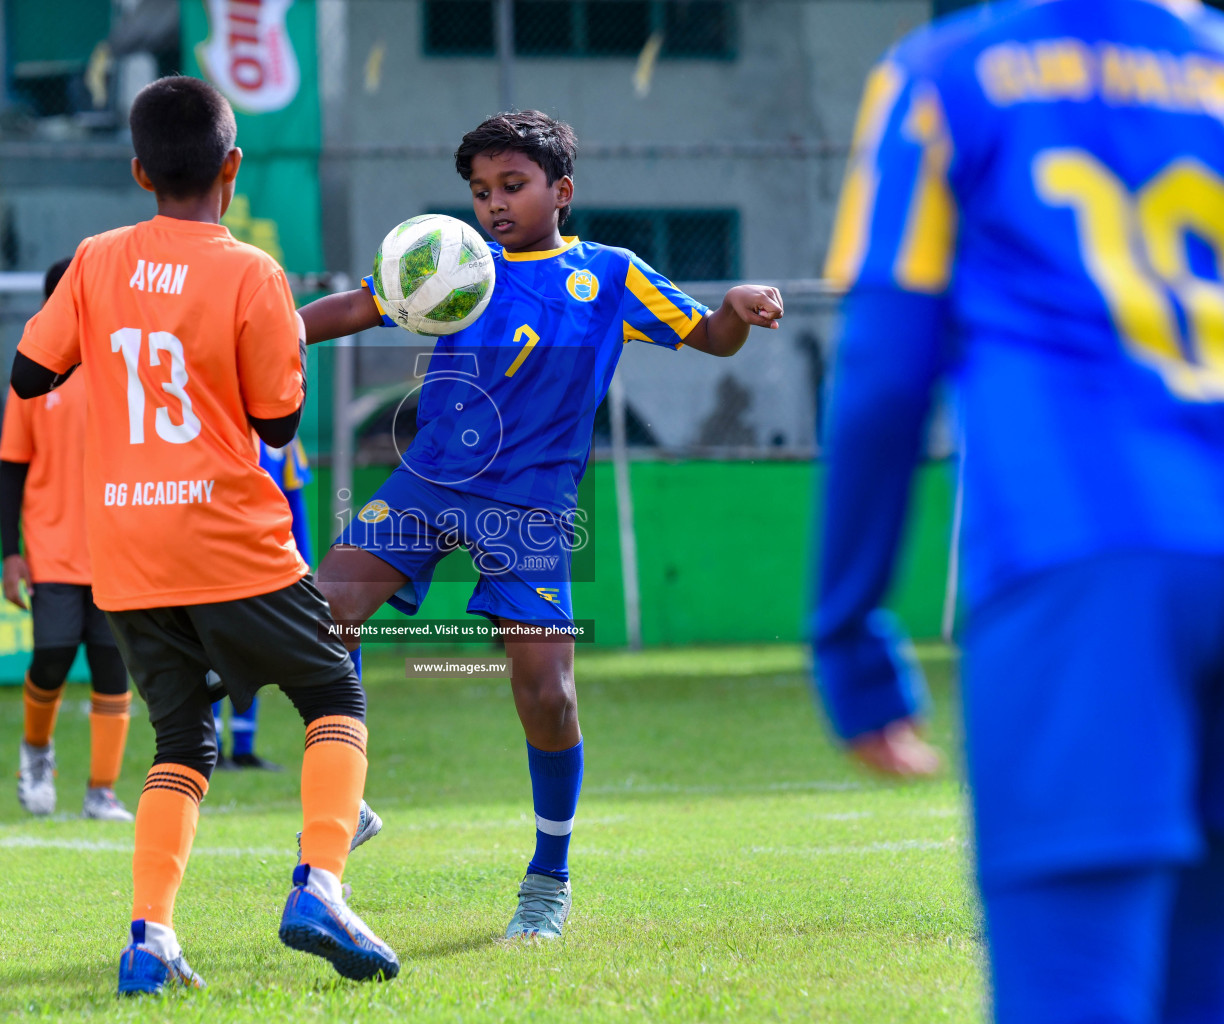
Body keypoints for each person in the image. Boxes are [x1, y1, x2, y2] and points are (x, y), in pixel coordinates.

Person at [810, 1, 1224, 1020]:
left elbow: (882, 372)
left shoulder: (948, 77)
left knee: (1074, 990)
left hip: (1079, 561)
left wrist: (846, 628)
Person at [297, 110, 782, 939]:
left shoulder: (612, 276)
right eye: (481, 191)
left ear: (561, 191)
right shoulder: (453, 265)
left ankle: (547, 878)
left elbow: (711, 337)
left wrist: (734, 307)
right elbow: (351, 308)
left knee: (548, 696)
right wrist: (260, 327)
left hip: (530, 511)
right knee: (309, 621)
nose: (493, 205)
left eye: (511, 187)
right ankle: (346, 795)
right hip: (428, 484)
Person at [10, 76, 399, 992]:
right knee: (334, 694)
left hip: (129, 553)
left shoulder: (96, 259)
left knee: (181, 743)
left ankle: (150, 939)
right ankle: (321, 885)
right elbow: (275, 425)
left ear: (139, 169)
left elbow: (30, 373)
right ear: (232, 167)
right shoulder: (251, 271)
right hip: (230, 537)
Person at [0, 257, 133, 823]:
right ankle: (36, 753)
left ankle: (101, 790)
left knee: (112, 668)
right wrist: (11, 553)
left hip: (115, 551)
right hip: (51, 549)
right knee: (51, 658)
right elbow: (11, 468)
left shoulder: (122, 364)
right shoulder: (31, 378)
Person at [212, 438, 314, 773]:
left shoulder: (282, 435)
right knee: (213, 652)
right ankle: (211, 746)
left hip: (265, 564)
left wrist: (306, 567)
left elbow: (294, 502)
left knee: (252, 652)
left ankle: (243, 747)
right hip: (219, 557)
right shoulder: (219, 422)